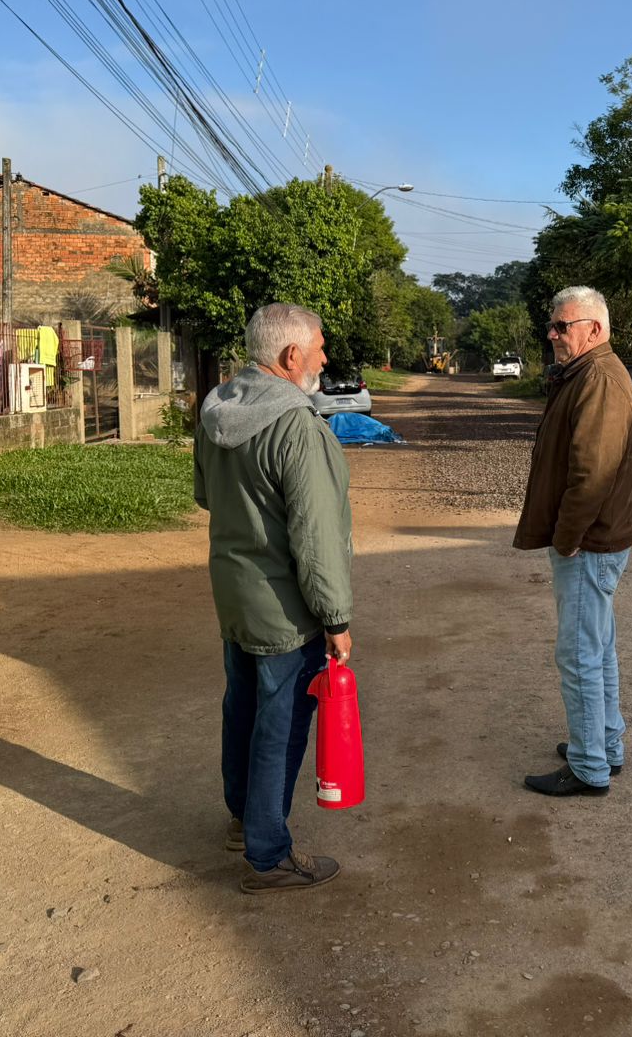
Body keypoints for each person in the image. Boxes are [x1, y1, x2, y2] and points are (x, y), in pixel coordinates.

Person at [193, 303, 354, 892]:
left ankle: (242, 819)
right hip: (285, 608)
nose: (324, 357)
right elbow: (317, 536)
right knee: (280, 726)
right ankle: (268, 854)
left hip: (234, 594)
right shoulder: (297, 426)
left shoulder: (216, 410)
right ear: (291, 357)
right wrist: (335, 617)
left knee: (243, 707)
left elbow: (207, 495)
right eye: (318, 347)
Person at [514, 286, 632, 797]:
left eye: (560, 326)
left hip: (590, 542)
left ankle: (590, 765)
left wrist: (567, 538)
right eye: (553, 325)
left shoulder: (601, 379)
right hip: (594, 540)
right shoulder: (589, 374)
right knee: (598, 647)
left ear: (594, 328)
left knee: (580, 654)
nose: (552, 334)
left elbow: (592, 472)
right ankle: (603, 746)